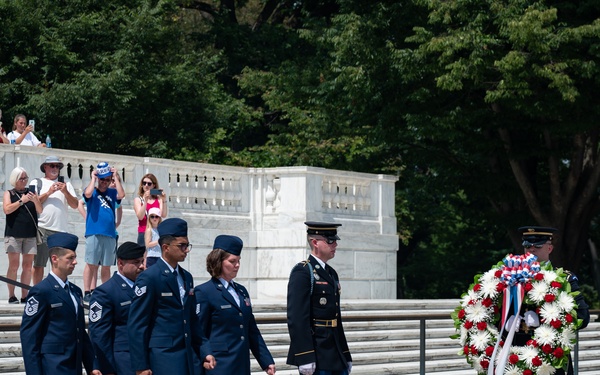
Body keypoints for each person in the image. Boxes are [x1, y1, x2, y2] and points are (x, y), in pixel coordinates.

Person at [128, 218, 216, 375]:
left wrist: (205, 351)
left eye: (187, 245)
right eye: (182, 246)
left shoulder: (186, 277)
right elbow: (137, 324)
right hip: (164, 358)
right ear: (166, 247)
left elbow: (192, 319)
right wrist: (141, 365)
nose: (186, 250)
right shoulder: (150, 277)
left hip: (189, 357)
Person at [19, 232, 101, 375]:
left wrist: (92, 366)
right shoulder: (41, 291)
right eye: (70, 258)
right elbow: (29, 337)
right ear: (55, 259)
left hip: (74, 367)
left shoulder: (75, 291)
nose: (75, 262)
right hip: (52, 367)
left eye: (75, 257)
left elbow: (80, 331)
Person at [195, 235, 276, 375]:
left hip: (241, 365)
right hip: (218, 365)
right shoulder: (204, 292)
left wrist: (266, 360)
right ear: (218, 261)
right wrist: (203, 357)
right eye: (232, 261)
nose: (237, 265)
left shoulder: (241, 291)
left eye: (239, 261)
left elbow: (251, 330)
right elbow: (199, 332)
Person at [514, 226, 590, 375]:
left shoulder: (564, 280)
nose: (532, 249)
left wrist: (548, 320)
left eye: (538, 245)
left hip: (551, 358)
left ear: (549, 248)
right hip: (517, 357)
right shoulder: (512, 280)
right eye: (527, 245)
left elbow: (582, 317)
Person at [287, 221, 352, 375]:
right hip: (316, 352)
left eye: (335, 240)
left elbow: (337, 318)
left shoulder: (331, 273)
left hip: (335, 352)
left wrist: (345, 353)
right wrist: (305, 356)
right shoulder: (302, 272)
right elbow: (297, 318)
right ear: (315, 242)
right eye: (330, 240)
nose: (335, 244)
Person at [89, 241, 146, 375]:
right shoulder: (105, 292)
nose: (142, 266)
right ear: (120, 263)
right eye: (136, 262)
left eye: (142, 261)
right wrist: (107, 368)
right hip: (123, 362)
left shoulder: (144, 287)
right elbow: (99, 335)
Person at [32, 156, 79, 285]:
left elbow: (75, 205)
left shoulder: (67, 185)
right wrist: (48, 192)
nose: (55, 168)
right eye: (52, 166)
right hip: (42, 228)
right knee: (38, 264)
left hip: (60, 230)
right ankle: (37, 291)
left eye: (57, 166)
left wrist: (65, 192)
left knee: (62, 265)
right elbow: (32, 203)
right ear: (45, 167)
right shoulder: (37, 182)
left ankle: (59, 289)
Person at [82, 162, 125, 303]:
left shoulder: (112, 193)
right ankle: (87, 291)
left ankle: (106, 290)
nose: (105, 182)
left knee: (106, 266)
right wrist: (93, 179)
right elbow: (87, 194)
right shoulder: (92, 191)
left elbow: (121, 194)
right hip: (94, 231)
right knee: (91, 263)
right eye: (103, 179)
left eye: (107, 180)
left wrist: (115, 177)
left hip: (110, 233)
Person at [3, 167, 42, 303]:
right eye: (22, 178)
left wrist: (35, 200)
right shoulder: (9, 193)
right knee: (14, 266)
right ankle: (11, 295)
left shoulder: (32, 193)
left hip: (30, 234)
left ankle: (25, 295)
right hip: (13, 234)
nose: (25, 181)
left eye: (26, 178)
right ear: (15, 179)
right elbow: (7, 209)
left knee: (27, 266)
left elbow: (40, 210)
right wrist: (22, 201)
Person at [133, 173, 167, 246]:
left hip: (157, 231)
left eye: (149, 184)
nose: (146, 186)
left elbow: (163, 215)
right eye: (144, 183)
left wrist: (164, 200)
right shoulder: (138, 199)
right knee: (142, 256)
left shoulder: (158, 199)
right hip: (143, 231)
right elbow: (140, 217)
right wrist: (145, 201)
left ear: (154, 185)